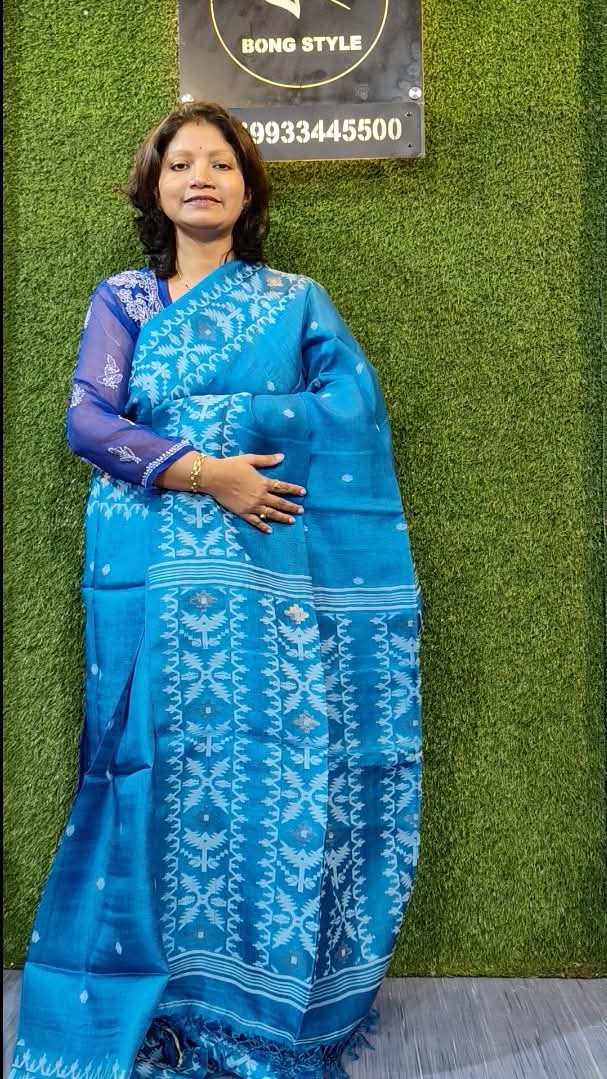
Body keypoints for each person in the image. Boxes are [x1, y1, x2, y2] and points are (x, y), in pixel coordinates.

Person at [9, 100, 424, 1079]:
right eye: (181, 163)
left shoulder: (296, 301)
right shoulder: (125, 300)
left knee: (268, 762)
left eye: (221, 163)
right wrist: (209, 469)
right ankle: (158, 991)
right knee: (151, 760)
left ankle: (252, 998)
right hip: (145, 570)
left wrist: (223, 424)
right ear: (155, 187)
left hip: (267, 582)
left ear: (247, 189)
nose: (200, 176)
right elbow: (88, 421)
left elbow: (351, 411)